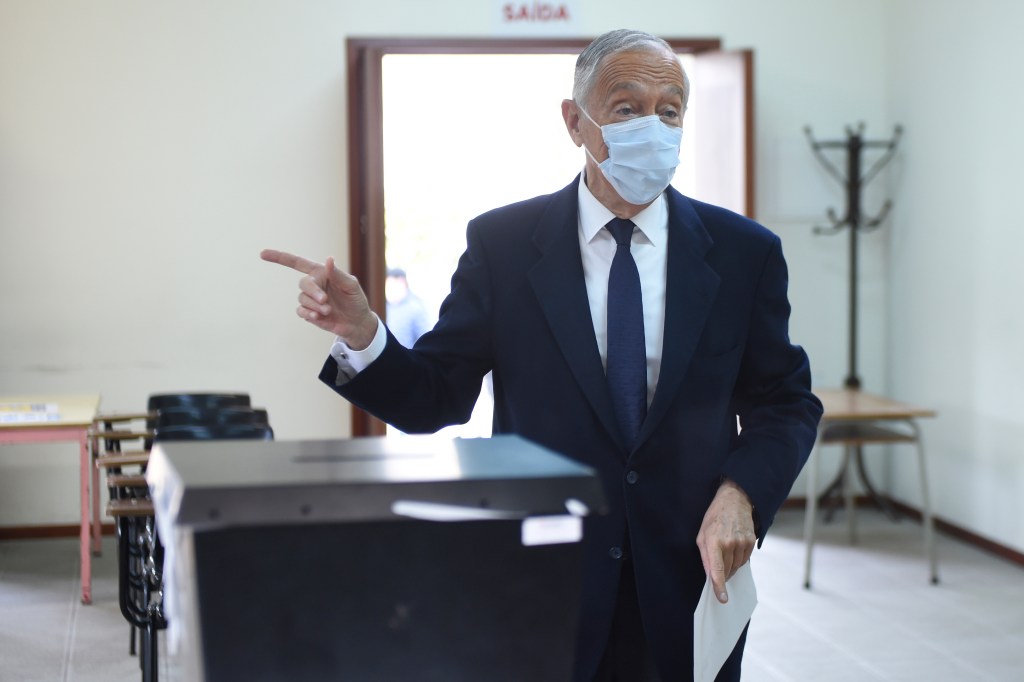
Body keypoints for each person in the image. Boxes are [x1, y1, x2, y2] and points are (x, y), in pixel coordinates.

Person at [262, 28, 821, 682]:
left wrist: (741, 494)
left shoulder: (742, 253)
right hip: (544, 577)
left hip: (691, 579)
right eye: (626, 107)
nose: (653, 126)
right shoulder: (504, 245)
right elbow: (437, 393)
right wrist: (364, 335)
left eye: (670, 110)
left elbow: (785, 401)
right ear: (573, 121)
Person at [384, 267, 431, 348]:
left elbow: (425, 339)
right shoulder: (385, 306)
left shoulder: (415, 308)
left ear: (402, 282)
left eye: (391, 285)